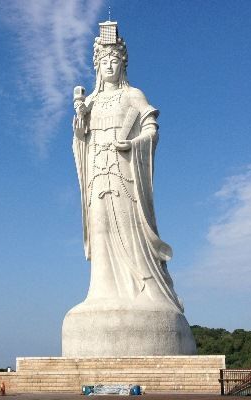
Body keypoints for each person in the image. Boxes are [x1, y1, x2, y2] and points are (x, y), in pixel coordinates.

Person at [71, 22, 182, 313]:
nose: (110, 65)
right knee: (101, 229)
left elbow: (151, 129)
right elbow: (80, 140)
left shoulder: (133, 95)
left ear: (123, 63)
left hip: (125, 175)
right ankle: (101, 293)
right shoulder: (90, 101)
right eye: (104, 61)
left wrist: (133, 144)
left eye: (115, 60)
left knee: (128, 231)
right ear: (97, 65)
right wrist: (80, 120)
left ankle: (142, 290)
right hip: (98, 175)